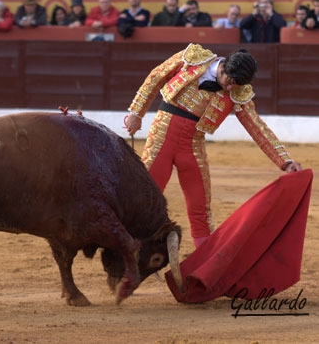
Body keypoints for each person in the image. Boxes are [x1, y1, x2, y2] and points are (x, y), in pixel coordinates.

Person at [124, 43, 302, 248]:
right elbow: (156, 77)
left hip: (193, 145)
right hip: (162, 135)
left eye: (237, 86)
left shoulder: (239, 91)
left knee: (200, 207)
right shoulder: (192, 58)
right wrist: (136, 113)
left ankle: (206, 262)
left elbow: (257, 127)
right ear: (223, 67)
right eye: (230, 82)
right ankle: (126, 249)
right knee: (147, 197)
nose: (231, 89)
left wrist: (285, 161)